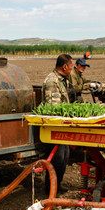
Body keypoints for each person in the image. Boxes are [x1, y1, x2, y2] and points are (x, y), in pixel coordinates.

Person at [42, 54, 76, 193]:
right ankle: (49, 188)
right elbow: (53, 108)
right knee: (58, 157)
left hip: (62, 126)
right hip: (53, 127)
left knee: (65, 155)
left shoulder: (64, 80)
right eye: (71, 66)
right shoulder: (52, 81)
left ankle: (58, 184)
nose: (72, 69)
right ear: (65, 66)